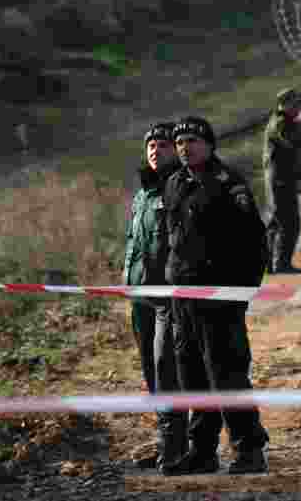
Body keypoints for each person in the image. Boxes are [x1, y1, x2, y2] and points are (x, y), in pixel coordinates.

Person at [161, 116, 270, 476]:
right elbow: (173, 240)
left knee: (227, 373)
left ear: (209, 144)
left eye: (192, 140)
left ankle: (249, 449)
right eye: (179, 142)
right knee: (191, 374)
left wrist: (241, 291)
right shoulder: (174, 183)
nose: (184, 147)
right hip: (183, 299)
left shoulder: (227, 184)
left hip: (219, 299)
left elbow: (255, 242)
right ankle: (202, 451)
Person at [122, 122, 187, 471]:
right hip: (140, 296)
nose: (154, 150)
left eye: (162, 145)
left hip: (170, 299)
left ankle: (177, 449)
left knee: (168, 371)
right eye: (150, 145)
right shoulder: (142, 193)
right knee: (151, 371)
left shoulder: (180, 188)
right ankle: (167, 444)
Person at [263, 88, 301, 274]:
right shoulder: (280, 123)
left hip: (282, 178)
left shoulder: (285, 121)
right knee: (288, 223)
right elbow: (291, 143)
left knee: (278, 222)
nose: (297, 107)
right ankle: (281, 264)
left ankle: (270, 264)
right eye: (294, 103)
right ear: (285, 104)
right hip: (279, 179)